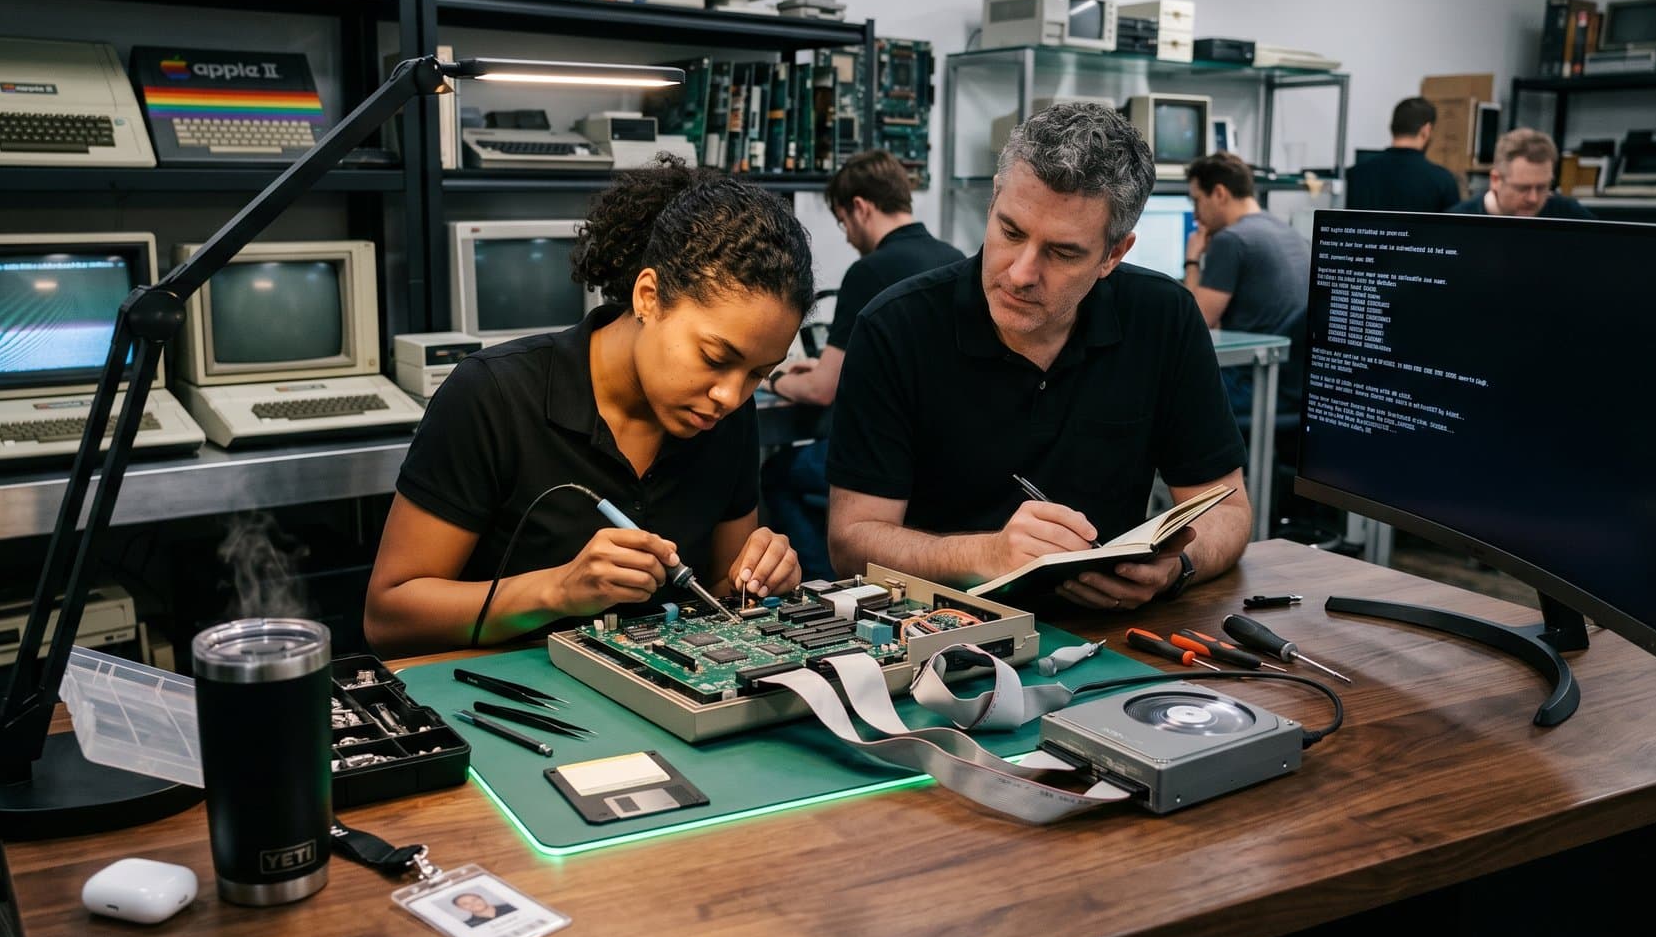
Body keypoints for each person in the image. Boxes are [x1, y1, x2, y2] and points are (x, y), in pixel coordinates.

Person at [364, 159, 812, 653]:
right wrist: (557, 591)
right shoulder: (493, 396)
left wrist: (762, 578)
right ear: (649, 297)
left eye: (758, 373)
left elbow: (726, 596)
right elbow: (389, 617)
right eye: (714, 357)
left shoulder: (725, 415)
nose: (730, 395)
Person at [825, 103, 1252, 611]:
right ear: (993, 205)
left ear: (1114, 255)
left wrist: (1176, 567)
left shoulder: (1165, 318)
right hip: (944, 636)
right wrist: (987, 553)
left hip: (1113, 630)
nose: (1021, 273)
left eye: (1064, 253)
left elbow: (1227, 509)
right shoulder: (895, 328)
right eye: (1010, 232)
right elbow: (850, 543)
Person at [763, 150, 962, 579]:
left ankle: (821, 594)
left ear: (860, 207)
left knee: (778, 474)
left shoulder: (869, 271)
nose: (849, 236)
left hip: (891, 460)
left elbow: (821, 390)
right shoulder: (955, 259)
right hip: (945, 458)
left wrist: (775, 378)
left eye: (843, 222)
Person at [1181, 150, 1310, 418]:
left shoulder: (1231, 240)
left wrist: (1192, 259)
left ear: (1219, 193)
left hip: (1251, 385)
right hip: (1292, 388)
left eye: (1197, 201)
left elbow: (1194, 324)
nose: (1195, 215)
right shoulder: (1288, 232)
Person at [1344, 97, 1462, 212]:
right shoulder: (1443, 181)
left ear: (1392, 127)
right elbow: (1454, 229)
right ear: (1426, 130)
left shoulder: (1354, 175)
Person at [1448, 128, 1596, 219]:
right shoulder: (1458, 222)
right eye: (1522, 188)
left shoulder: (1569, 216)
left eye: (1542, 187)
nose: (1533, 198)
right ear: (1495, 180)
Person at [450, 892, 516, 927]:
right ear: (461, 908)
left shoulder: (511, 906)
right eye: (465, 904)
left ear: (482, 898)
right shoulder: (469, 925)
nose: (473, 904)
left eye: (474, 900)